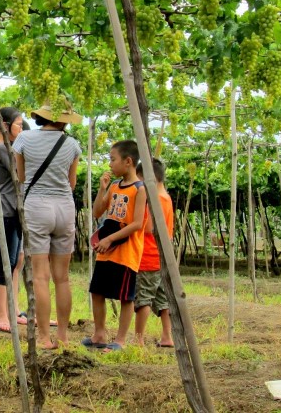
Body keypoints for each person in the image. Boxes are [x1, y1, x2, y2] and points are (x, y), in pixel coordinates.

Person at [13, 103, 82, 349]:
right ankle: (63, 336)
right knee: (62, 278)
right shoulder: (72, 144)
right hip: (64, 207)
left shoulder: (23, 139)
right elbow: (71, 183)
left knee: (41, 277)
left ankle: (43, 337)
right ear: (64, 121)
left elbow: (21, 177)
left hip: (37, 208)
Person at [85, 140, 146, 352]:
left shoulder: (140, 189)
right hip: (106, 251)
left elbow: (137, 224)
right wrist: (102, 190)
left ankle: (120, 340)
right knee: (97, 291)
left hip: (126, 253)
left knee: (125, 297)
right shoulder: (114, 186)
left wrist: (110, 239)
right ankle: (99, 333)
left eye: (113, 159)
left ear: (128, 162)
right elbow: (97, 212)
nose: (110, 164)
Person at [0, 107, 27, 334]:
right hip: (6, 208)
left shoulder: (8, 147)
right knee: (6, 261)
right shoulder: (1, 148)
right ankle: (2, 314)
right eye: (19, 125)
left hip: (15, 209)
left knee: (17, 260)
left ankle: (13, 310)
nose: (22, 129)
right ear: (5, 125)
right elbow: (21, 172)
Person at [133, 158, 175, 348]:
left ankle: (138, 338)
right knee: (162, 300)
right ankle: (167, 336)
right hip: (162, 257)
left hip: (148, 257)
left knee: (144, 299)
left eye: (139, 178)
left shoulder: (154, 200)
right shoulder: (166, 197)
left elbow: (149, 227)